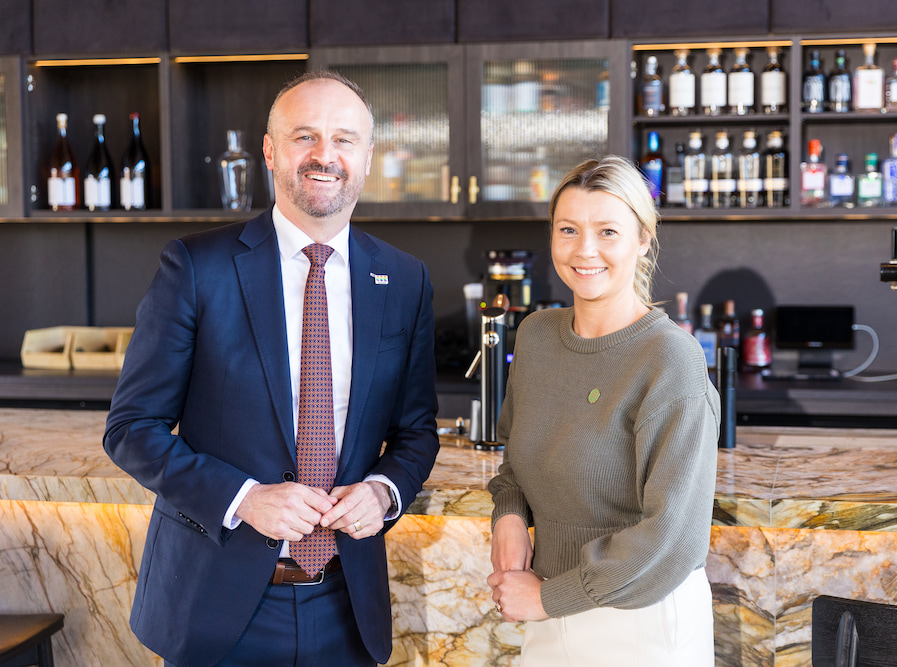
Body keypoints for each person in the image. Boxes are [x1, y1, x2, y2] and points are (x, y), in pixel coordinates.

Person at [104, 70, 440, 667]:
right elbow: (132, 428)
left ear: (366, 155)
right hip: (217, 606)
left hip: (346, 605)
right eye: (304, 136)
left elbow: (416, 432)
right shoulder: (196, 266)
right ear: (270, 149)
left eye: (343, 139)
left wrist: (384, 492)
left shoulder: (405, 279)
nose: (324, 156)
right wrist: (245, 497)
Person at [486, 155, 720, 664]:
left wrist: (548, 598)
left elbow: (673, 537)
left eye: (607, 231)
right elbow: (514, 464)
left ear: (643, 240)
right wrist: (507, 515)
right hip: (547, 604)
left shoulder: (669, 358)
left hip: (642, 621)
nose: (584, 250)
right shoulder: (537, 336)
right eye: (568, 229)